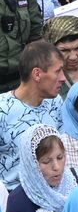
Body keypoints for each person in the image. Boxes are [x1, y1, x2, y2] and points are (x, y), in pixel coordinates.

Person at [4, 123, 77, 212]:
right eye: (46, 161)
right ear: (31, 164)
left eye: (60, 157)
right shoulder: (18, 201)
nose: (56, 167)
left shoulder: (75, 183)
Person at [0, 40, 65, 190]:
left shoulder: (56, 102)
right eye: (57, 71)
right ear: (37, 74)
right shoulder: (2, 109)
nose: (62, 78)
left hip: (53, 194)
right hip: (11, 198)